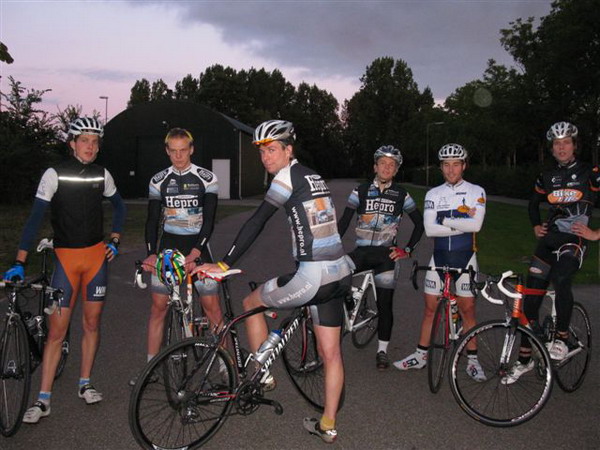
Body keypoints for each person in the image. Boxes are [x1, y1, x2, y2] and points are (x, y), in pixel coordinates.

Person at [194, 120, 351, 444]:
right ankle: (328, 424)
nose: (266, 157)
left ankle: (262, 375)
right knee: (332, 354)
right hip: (339, 273)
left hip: (313, 277)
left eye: (272, 150)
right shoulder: (312, 175)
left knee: (251, 302)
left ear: (288, 150)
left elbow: (258, 220)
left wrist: (224, 263)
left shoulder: (286, 177)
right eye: (262, 151)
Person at [3, 117, 126, 423]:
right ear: (72, 143)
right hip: (67, 262)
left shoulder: (102, 174)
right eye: (84, 141)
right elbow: (34, 219)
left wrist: (115, 240)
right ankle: (43, 399)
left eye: (95, 142)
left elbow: (120, 207)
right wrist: (19, 262)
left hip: (96, 259)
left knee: (91, 324)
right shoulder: (54, 173)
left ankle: (85, 383)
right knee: (56, 332)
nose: (90, 147)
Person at [503, 121, 600, 384]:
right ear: (552, 148)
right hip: (549, 241)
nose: (561, 147)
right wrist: (536, 225)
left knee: (561, 278)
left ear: (575, 145)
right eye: (557, 143)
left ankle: (563, 339)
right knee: (529, 303)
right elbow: (533, 203)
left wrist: (596, 233)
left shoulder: (589, 172)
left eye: (566, 142)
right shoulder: (546, 175)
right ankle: (525, 359)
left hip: (574, 240)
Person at [130, 127, 222, 385]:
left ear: (191, 149)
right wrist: (151, 254)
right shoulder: (158, 180)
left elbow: (210, 219)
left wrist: (197, 251)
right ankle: (150, 368)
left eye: (183, 150)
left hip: (199, 248)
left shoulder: (207, 178)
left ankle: (226, 365)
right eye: (174, 151)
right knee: (158, 308)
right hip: (168, 249)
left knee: (212, 307)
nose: (179, 156)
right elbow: (151, 220)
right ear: (167, 151)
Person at [394, 143, 486, 382]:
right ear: (441, 167)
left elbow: (476, 226)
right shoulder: (433, 194)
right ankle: (420, 355)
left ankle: (473, 360)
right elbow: (430, 230)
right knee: (429, 309)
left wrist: (444, 219)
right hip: (439, 257)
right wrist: (461, 221)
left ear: (464, 166)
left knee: (467, 310)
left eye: (456, 164)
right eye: (446, 165)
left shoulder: (476, 191)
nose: (451, 169)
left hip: (466, 258)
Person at [337, 145, 424, 370]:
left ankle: (382, 351)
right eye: (383, 163)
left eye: (391, 165)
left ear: (396, 170)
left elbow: (419, 224)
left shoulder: (402, 194)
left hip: (386, 256)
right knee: (334, 276)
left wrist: (407, 250)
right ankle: (349, 303)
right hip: (361, 252)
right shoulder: (360, 190)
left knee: (385, 304)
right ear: (375, 167)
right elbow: (344, 220)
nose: (386, 168)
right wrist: (331, 247)